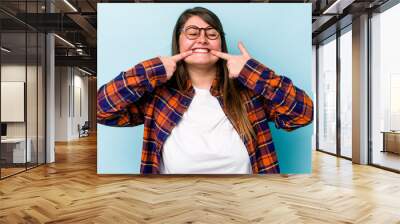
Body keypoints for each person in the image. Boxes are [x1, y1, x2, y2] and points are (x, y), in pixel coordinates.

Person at [97, 7, 313, 174]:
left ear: (221, 43)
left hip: (246, 202)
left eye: (211, 33)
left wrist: (253, 72)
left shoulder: (249, 92)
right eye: (192, 32)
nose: (202, 39)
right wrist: (150, 71)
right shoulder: (158, 96)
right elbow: (102, 109)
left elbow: (303, 115)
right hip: (172, 203)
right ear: (178, 41)